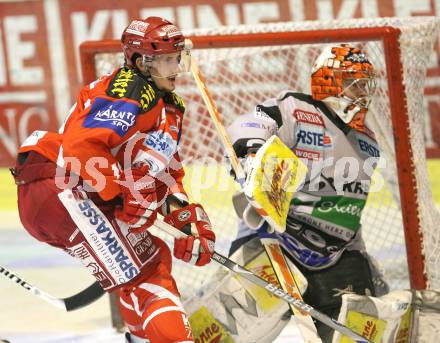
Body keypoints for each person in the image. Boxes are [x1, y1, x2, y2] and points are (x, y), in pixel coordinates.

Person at [10, 17, 215, 343]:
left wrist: (184, 215)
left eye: (177, 57)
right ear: (140, 61)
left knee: (147, 259)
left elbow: (164, 172)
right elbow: (81, 148)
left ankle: (140, 337)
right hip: (61, 188)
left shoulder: (168, 108)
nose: (176, 66)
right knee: (149, 272)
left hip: (64, 195)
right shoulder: (130, 90)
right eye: (166, 59)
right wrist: (124, 191)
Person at [226, 44, 388, 342]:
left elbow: (352, 207)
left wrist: (359, 255)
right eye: (355, 83)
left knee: (353, 336)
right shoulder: (296, 107)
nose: (363, 92)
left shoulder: (367, 142)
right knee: (226, 333)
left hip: (334, 255)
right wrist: (250, 153)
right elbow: (251, 123)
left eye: (366, 84)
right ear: (329, 82)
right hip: (274, 244)